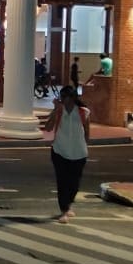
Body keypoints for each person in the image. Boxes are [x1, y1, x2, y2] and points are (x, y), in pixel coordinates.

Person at [44, 85, 91, 224]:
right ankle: (64, 210)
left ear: (73, 98)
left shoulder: (84, 112)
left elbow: (87, 133)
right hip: (60, 151)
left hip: (79, 153)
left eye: (66, 97)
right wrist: (55, 110)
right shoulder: (59, 111)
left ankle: (69, 204)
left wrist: (86, 147)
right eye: (62, 97)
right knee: (62, 182)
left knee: (74, 183)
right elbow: (47, 128)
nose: (64, 100)